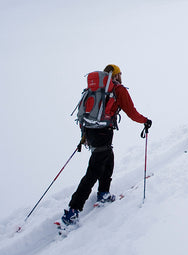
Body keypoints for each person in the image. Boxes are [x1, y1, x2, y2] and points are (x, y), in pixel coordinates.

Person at [61, 64, 152, 226]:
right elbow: (131, 112)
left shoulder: (95, 89)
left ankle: (103, 192)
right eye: (120, 74)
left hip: (90, 129)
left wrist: (84, 135)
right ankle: (73, 210)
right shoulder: (118, 90)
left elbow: (86, 111)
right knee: (94, 170)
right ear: (116, 75)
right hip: (103, 131)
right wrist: (145, 121)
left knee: (108, 158)